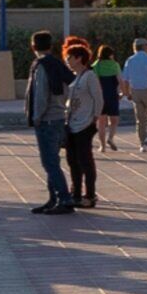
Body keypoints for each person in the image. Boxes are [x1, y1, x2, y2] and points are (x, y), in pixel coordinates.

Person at [24, 41, 77, 213]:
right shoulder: (58, 64)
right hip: (59, 117)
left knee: (49, 162)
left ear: (33, 46)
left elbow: (40, 94)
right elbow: (70, 87)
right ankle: (53, 198)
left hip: (47, 120)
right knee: (52, 160)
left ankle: (63, 198)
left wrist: (36, 116)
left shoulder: (41, 66)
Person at [59, 40, 103, 207]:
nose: (67, 61)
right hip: (72, 124)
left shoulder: (89, 76)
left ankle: (90, 195)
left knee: (85, 160)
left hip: (85, 124)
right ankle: (75, 192)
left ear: (79, 58)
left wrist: (95, 117)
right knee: (72, 160)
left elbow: (98, 98)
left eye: (69, 57)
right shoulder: (76, 78)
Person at [122, 42, 147, 151]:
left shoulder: (129, 60)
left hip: (135, 91)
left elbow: (125, 79)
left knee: (141, 119)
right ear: (144, 47)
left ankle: (143, 144)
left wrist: (127, 93)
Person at [90, 41, 124, 152]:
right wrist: (123, 92)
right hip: (112, 95)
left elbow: (96, 82)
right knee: (114, 120)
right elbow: (120, 81)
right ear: (110, 55)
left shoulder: (95, 65)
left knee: (101, 122)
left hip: (100, 96)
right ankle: (111, 138)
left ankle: (102, 146)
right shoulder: (115, 65)